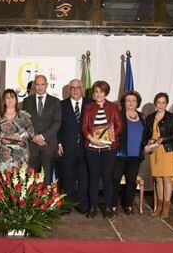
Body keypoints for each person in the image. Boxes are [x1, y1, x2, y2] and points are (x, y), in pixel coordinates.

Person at [82, 81, 123, 218]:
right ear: (93, 93)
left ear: (106, 93)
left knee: (107, 178)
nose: (99, 94)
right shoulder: (88, 107)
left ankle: (108, 208)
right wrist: (91, 138)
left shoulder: (113, 107)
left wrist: (112, 136)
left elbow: (119, 125)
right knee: (93, 178)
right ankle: (93, 207)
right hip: (92, 148)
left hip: (109, 148)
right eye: (96, 91)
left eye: (101, 91)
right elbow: (84, 127)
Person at [143, 92, 173, 219]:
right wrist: (148, 141)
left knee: (166, 179)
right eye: (158, 102)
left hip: (167, 151)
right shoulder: (150, 117)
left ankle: (166, 208)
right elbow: (146, 134)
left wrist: (163, 139)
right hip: (154, 151)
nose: (161, 105)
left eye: (163, 102)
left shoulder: (171, 117)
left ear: (166, 104)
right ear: (155, 103)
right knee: (157, 179)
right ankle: (158, 206)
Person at [57, 79, 92, 214]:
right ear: (69, 89)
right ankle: (68, 205)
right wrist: (59, 143)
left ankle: (83, 205)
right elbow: (57, 126)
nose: (75, 90)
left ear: (82, 88)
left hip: (86, 147)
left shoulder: (90, 104)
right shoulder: (61, 105)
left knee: (84, 177)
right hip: (67, 147)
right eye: (72, 88)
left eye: (78, 87)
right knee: (68, 177)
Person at [22, 75, 61, 185]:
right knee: (30, 177)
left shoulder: (55, 101)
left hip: (48, 144)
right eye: (37, 84)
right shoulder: (27, 101)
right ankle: (31, 201)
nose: (40, 87)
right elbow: (25, 122)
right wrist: (35, 137)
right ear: (35, 85)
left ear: (47, 85)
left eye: (42, 84)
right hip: (32, 145)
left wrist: (43, 137)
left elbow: (57, 122)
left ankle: (46, 201)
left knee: (47, 177)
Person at [113, 91, 145, 216]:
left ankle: (128, 205)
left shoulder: (142, 117)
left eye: (133, 100)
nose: (131, 103)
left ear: (137, 103)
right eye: (128, 100)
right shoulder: (118, 115)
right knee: (115, 179)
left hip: (135, 156)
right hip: (120, 155)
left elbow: (146, 135)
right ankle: (113, 205)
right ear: (124, 103)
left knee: (131, 181)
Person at [0, 89, 34, 172]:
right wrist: (1, 138)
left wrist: (20, 137)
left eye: (12, 97)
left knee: (19, 182)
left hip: (20, 155)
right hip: (2, 154)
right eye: (7, 98)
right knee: (1, 181)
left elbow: (31, 131)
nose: (10, 100)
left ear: (16, 100)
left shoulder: (23, 115)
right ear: (4, 101)